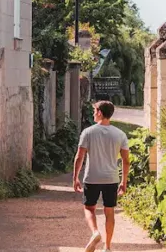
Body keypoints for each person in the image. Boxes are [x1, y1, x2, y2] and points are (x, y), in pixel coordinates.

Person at [72, 101, 130, 252]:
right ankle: (108, 247)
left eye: (94, 111)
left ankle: (95, 232)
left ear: (99, 112)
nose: (93, 114)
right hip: (111, 179)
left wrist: (75, 177)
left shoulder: (88, 132)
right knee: (109, 211)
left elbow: (79, 157)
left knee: (89, 208)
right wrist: (124, 182)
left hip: (92, 177)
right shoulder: (120, 134)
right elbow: (126, 161)